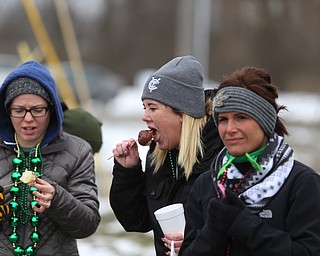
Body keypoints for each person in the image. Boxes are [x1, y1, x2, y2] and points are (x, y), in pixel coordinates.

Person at [179, 67, 320, 256]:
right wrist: (212, 233)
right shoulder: (207, 184)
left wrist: (246, 226)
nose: (229, 129)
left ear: (265, 121)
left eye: (241, 117)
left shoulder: (302, 183)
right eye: (222, 119)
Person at [109, 55, 223, 255]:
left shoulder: (221, 154)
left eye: (153, 108)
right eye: (145, 107)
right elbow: (136, 221)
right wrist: (128, 172)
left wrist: (195, 243)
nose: (145, 116)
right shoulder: (159, 154)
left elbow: (238, 230)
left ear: (182, 114)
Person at [0, 60, 101, 256]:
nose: (28, 119)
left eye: (38, 110)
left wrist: (57, 199)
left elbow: (87, 225)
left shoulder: (77, 151)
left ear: (52, 108)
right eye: (19, 110)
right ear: (7, 110)